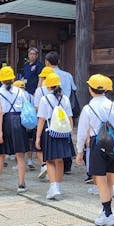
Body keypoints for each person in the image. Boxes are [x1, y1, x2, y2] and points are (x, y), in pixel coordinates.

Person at [76, 74, 114, 226]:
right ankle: (105, 211)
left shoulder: (88, 108)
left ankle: (109, 213)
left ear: (90, 90)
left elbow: (82, 132)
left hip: (97, 143)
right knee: (110, 178)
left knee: (100, 179)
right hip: (113, 143)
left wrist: (79, 151)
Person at [36, 72, 75, 200]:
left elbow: (41, 120)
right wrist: (71, 132)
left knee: (49, 160)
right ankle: (57, 187)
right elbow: (70, 117)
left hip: (50, 131)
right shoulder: (65, 99)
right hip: (63, 132)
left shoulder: (44, 99)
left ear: (48, 86)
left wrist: (37, 137)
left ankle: (53, 187)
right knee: (60, 160)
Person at [0, 66, 30, 193]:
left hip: (6, 121)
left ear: (1, 80)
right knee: (20, 155)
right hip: (19, 122)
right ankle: (21, 184)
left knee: (1, 154)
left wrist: (0, 132)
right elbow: (25, 108)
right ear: (13, 78)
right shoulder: (20, 91)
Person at [44, 51, 78, 175]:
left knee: (54, 134)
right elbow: (74, 88)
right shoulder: (67, 75)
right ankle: (67, 164)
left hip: (51, 108)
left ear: (47, 62)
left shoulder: (47, 75)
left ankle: (54, 164)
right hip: (65, 105)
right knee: (65, 133)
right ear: (58, 61)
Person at [33, 66, 54, 179]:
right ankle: (52, 169)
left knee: (39, 145)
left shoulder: (39, 90)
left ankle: (44, 165)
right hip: (55, 122)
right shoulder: (59, 90)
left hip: (43, 120)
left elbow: (36, 107)